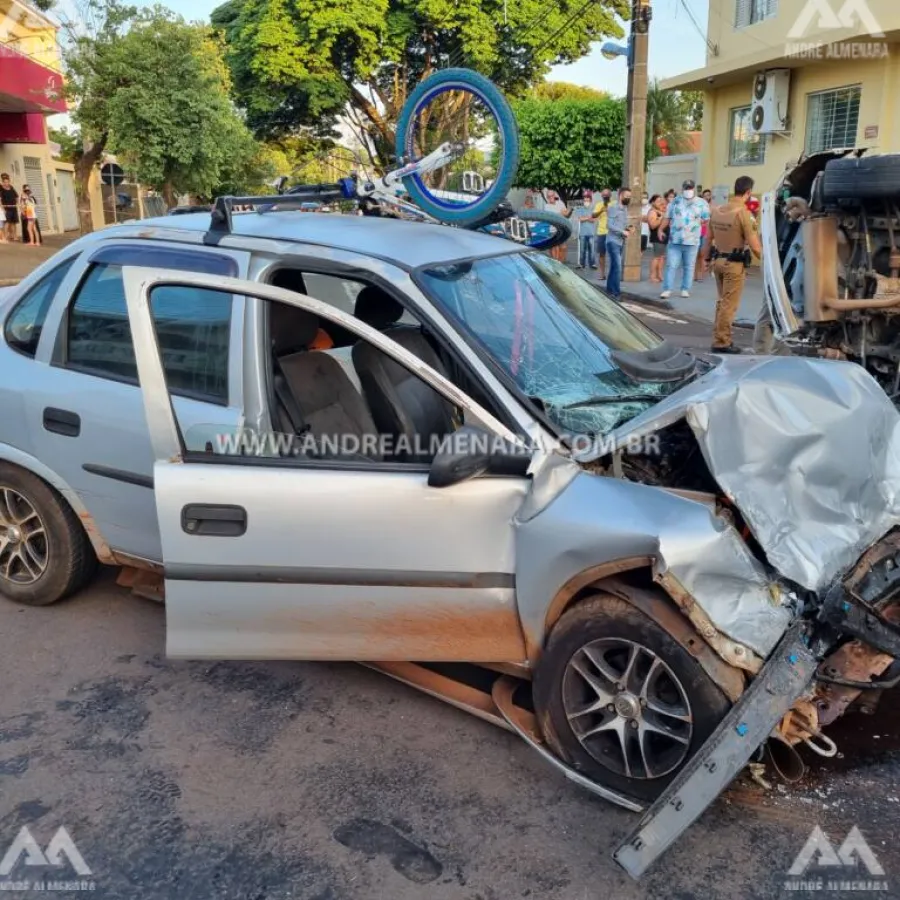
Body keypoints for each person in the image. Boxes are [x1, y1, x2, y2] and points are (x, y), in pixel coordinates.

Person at [706, 175, 763, 354]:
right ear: (748, 192)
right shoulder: (744, 214)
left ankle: (718, 336)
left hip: (718, 261)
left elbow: (708, 240)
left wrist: (706, 260)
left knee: (722, 302)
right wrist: (769, 264)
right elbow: (755, 246)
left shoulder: (717, 211)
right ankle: (722, 342)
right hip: (734, 265)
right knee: (729, 304)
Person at [659, 179, 710, 300]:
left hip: (692, 241)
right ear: (682, 189)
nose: (688, 190)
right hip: (675, 239)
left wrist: (699, 226)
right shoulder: (675, 202)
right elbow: (667, 217)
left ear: (693, 188)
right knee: (671, 265)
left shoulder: (702, 203)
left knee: (689, 266)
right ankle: (667, 289)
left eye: (690, 188)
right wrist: (660, 229)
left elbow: (707, 219)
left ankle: (685, 289)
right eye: (686, 188)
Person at [605, 187, 634, 300]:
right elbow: (609, 225)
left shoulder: (625, 209)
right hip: (612, 241)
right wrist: (622, 231)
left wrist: (629, 228)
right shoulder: (613, 208)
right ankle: (616, 293)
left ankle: (609, 290)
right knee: (617, 267)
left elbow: (621, 225)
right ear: (620, 195)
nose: (628, 198)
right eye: (627, 196)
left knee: (613, 267)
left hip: (620, 241)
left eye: (630, 196)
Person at [544, 190, 571, 263]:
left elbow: (565, 213)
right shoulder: (547, 206)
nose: (551, 198)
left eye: (552, 195)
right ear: (547, 197)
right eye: (549, 196)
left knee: (563, 248)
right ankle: (555, 264)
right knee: (554, 249)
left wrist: (568, 211)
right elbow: (551, 217)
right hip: (552, 230)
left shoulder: (560, 203)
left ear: (554, 195)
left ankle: (561, 264)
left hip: (561, 229)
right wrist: (560, 213)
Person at [646, 195, 668, 283]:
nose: (660, 202)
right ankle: (652, 276)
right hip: (657, 237)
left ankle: (659, 275)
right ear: (653, 202)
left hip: (663, 237)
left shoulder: (661, 211)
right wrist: (661, 218)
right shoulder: (652, 212)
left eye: (661, 200)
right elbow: (652, 225)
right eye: (658, 201)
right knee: (656, 257)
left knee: (661, 257)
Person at [572, 191, 597, 269]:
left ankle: (592, 264)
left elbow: (594, 219)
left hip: (591, 233)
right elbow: (580, 219)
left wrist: (585, 218)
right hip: (582, 233)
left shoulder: (593, 209)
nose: (586, 202)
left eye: (588, 200)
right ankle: (581, 264)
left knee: (592, 250)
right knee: (582, 250)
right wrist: (588, 218)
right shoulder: (580, 209)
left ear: (590, 200)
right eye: (585, 200)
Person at [593, 188, 614, 277]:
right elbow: (593, 215)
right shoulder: (599, 205)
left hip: (612, 232)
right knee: (602, 254)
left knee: (614, 253)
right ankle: (602, 273)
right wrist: (602, 210)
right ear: (601, 196)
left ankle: (613, 273)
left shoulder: (614, 204)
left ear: (610, 195)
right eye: (603, 196)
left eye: (607, 195)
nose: (605, 197)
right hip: (601, 232)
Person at [0, 174, 18, 243]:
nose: (6, 183)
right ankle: (6, 236)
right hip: (6, 208)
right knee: (7, 222)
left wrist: (16, 204)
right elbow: (0, 199)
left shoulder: (11, 187)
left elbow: (16, 196)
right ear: (2, 182)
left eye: (7, 181)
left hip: (13, 208)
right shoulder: (1, 189)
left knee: (13, 222)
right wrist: (3, 208)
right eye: (5, 181)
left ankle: (14, 236)